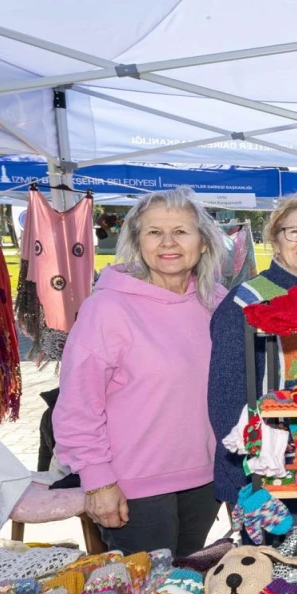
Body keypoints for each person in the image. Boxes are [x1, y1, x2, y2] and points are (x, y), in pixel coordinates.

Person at [53, 187, 228, 555]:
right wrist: (98, 480)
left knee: (187, 584)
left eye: (181, 231)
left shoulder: (219, 303)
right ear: (137, 241)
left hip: (205, 479)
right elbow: (77, 405)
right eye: (154, 232)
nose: (168, 242)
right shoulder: (107, 308)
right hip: (133, 486)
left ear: (204, 243)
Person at [208, 193, 297, 514]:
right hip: (262, 467)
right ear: (275, 238)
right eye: (295, 232)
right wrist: (247, 478)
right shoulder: (246, 302)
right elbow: (225, 399)